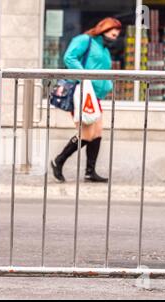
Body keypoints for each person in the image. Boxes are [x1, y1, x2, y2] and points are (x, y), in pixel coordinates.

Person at [51, 17, 122, 183]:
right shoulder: (85, 40)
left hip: (94, 95)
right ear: (103, 28)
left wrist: (108, 86)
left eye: (118, 32)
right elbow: (69, 57)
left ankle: (90, 172)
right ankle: (59, 160)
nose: (115, 34)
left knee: (97, 132)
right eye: (113, 29)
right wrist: (84, 76)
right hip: (81, 92)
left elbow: (103, 71)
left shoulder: (104, 49)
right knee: (87, 134)